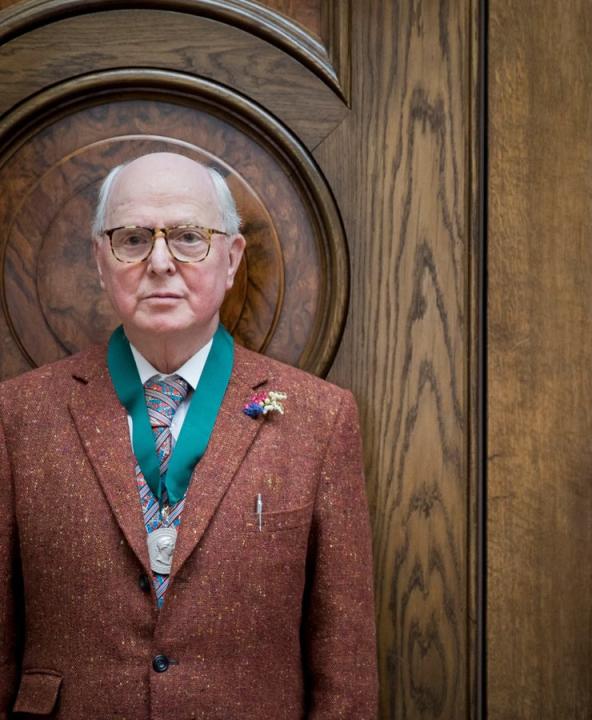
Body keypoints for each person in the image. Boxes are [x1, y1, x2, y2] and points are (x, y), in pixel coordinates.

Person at [0, 153, 377, 718]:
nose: (159, 262)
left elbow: (344, 661)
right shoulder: (18, 414)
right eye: (131, 239)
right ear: (101, 261)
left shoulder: (318, 418)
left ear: (231, 258)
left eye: (188, 237)